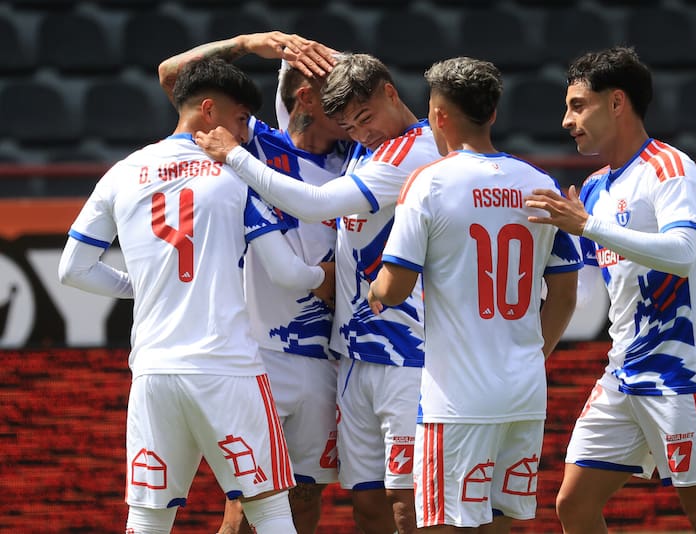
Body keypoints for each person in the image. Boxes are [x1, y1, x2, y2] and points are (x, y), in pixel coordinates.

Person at [56, 57, 338, 533]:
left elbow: (72, 269)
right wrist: (321, 277)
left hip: (153, 372)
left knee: (148, 520)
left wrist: (141, 286)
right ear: (209, 111)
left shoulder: (123, 172)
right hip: (229, 370)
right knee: (271, 512)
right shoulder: (236, 176)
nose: (245, 134)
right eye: (241, 119)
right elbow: (287, 272)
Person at [196, 52, 441, 534]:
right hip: (344, 356)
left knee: (401, 505)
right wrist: (258, 43)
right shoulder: (353, 145)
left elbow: (316, 203)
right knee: (350, 506)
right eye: (349, 123)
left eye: (364, 118)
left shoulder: (413, 150)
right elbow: (178, 80)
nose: (360, 132)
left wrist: (235, 156)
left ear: (390, 93)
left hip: (405, 353)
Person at [525, 46, 696, 533]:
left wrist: (589, 225)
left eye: (578, 106)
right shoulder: (594, 187)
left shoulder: (671, 169)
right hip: (623, 374)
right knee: (573, 505)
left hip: (686, 376)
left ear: (617, 102)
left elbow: (682, 252)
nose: (567, 121)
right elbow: (580, 280)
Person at [366, 57, 581, 532]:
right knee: (498, 524)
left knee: (441, 524)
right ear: (493, 113)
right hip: (523, 393)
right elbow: (565, 295)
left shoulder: (430, 182)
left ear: (438, 115)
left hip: (457, 401)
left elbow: (395, 290)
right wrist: (530, 356)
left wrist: (373, 287)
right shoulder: (539, 184)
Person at [158, 31, 351, 534]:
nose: (356, 101)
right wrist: (246, 43)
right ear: (307, 97)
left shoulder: (362, 159)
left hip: (327, 354)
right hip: (256, 352)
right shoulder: (253, 140)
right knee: (248, 506)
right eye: (343, 91)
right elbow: (173, 77)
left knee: (305, 497)